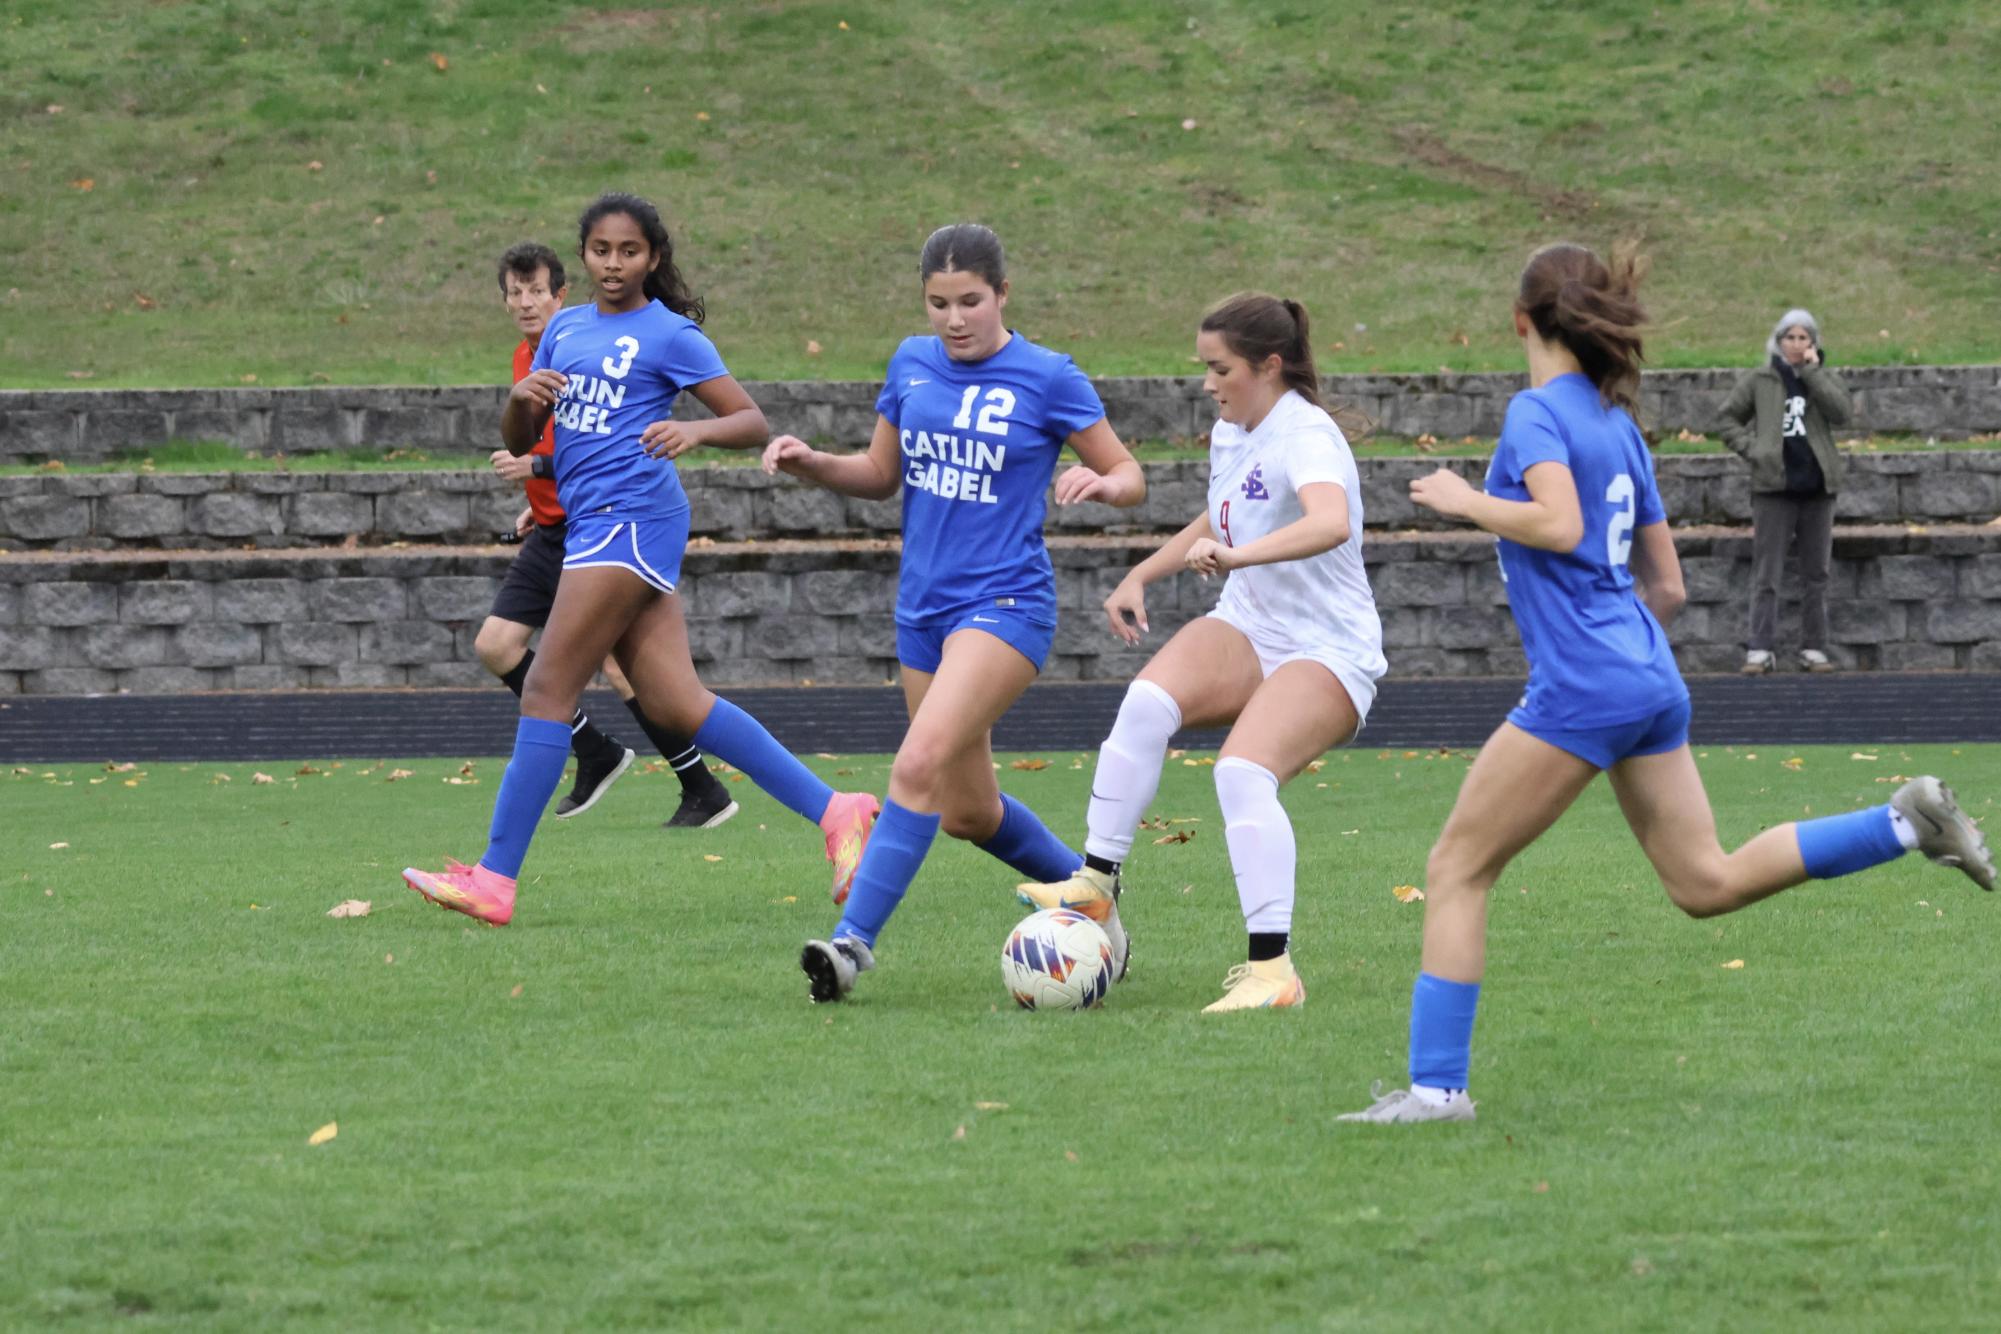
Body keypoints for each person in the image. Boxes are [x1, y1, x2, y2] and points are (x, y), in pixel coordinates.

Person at [1338, 243, 1992, 1125]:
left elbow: (1557, 523)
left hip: (1588, 685)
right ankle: (1904, 822)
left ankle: (1435, 1092)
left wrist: (1465, 500)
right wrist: (1619, 659)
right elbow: (1670, 588)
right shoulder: (1618, 426)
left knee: (1456, 868)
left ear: (1519, 320)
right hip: (1647, 673)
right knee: (1703, 883)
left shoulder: (1535, 413)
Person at [403, 193, 879, 926]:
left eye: (629, 251)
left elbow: (750, 420)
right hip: (594, 524)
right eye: (601, 250)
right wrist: (519, 400)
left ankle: (495, 879)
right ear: (584, 256)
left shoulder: (669, 333)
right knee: (677, 705)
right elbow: (524, 438)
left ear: (653, 257)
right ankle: (837, 809)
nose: (614, 263)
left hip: (630, 524)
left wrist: (694, 433)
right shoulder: (564, 329)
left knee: (546, 689)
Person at [760, 223, 1146, 1002]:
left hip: (1006, 604)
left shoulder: (1048, 376)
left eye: (970, 301)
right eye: (938, 303)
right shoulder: (911, 362)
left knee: (915, 765)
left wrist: (1104, 484)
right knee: (968, 812)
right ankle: (1091, 898)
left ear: (1002, 293)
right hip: (922, 613)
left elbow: (1129, 474)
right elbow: (879, 473)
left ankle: (850, 946)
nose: (954, 319)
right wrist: (812, 465)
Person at [1019, 292, 1385, 1012]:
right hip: (1249, 624)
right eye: (1204, 367)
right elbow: (1220, 516)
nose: (1208, 382)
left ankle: (1273, 975)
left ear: (1268, 366)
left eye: (1220, 369)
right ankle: (1094, 885)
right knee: (1146, 703)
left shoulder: (1306, 436)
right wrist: (1142, 573)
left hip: (1328, 646)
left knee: (1242, 773)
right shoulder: (1232, 429)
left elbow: (1331, 522)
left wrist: (1238, 557)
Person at [477, 240, 737, 829]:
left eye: (536, 291)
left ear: (561, 294)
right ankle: (602, 755)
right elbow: (557, 441)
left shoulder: (596, 343)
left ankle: (699, 784)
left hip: (607, 526)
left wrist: (539, 471)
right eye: (515, 293)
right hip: (557, 528)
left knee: (622, 681)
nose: (525, 302)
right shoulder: (537, 355)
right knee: (498, 647)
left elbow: (599, 446)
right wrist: (539, 500)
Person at [1716, 308, 1854, 674]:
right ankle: (1760, 648)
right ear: (1778, 342)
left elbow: (1843, 414)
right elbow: (1726, 419)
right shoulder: (1760, 379)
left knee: (1817, 573)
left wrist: (1812, 373)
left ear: (1813, 343)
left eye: (1803, 338)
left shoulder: (1824, 378)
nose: (1795, 344)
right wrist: (1755, 450)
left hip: (1817, 488)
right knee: (1767, 574)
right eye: (1789, 337)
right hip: (1773, 488)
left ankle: (1814, 647)